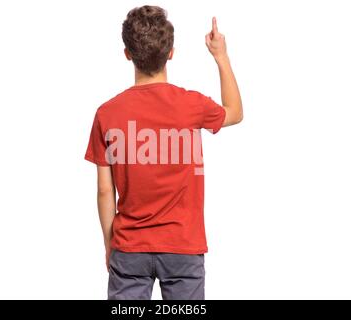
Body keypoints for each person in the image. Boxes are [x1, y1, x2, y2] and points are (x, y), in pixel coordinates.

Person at [84, 5, 243, 300]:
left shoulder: (107, 114)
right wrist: (221, 56)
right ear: (171, 53)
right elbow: (235, 112)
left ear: (127, 54)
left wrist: (110, 244)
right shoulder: (191, 105)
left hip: (129, 247)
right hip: (183, 246)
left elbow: (105, 191)